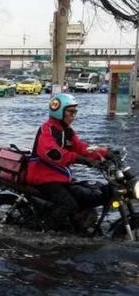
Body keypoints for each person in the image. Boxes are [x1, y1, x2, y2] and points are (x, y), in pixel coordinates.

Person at [26, 93, 110, 232]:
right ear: (59, 111)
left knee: (85, 195)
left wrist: (106, 154)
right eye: (70, 112)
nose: (73, 116)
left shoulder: (67, 131)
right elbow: (52, 153)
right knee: (68, 204)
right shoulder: (47, 129)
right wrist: (79, 159)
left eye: (75, 112)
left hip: (60, 176)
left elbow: (82, 147)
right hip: (42, 177)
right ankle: (44, 232)